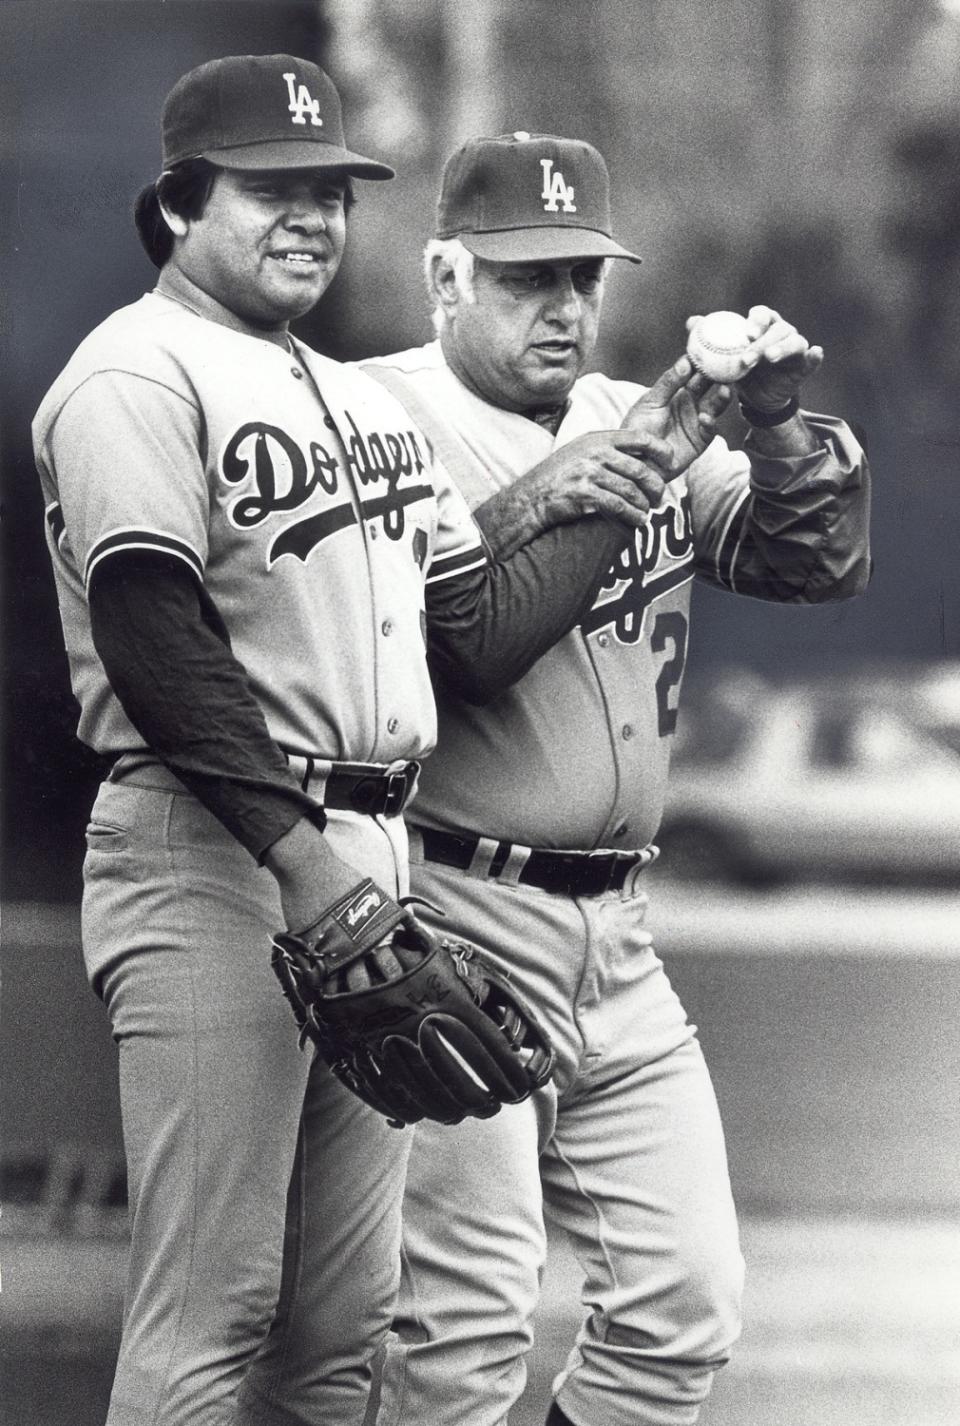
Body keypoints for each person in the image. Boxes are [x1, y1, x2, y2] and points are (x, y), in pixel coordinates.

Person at [32, 69, 672, 1426]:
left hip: (372, 851)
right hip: (215, 846)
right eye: (273, 188)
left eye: (330, 189)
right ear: (180, 203)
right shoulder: (134, 374)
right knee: (214, 1305)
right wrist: (307, 863)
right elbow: (153, 634)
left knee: (339, 1324)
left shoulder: (355, 397)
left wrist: (620, 475)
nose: (315, 216)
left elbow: (481, 628)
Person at [361, 131, 872, 1426]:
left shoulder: (618, 414)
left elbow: (813, 561)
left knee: (684, 1305)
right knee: (464, 1328)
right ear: (443, 274)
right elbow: (472, 646)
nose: (567, 306)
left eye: (583, 274)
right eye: (528, 277)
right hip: (454, 908)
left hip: (620, 941)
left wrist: (775, 421)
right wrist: (661, 433)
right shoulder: (379, 417)